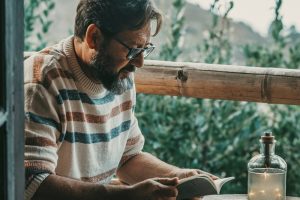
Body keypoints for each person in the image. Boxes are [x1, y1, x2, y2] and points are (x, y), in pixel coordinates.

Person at [24, 0, 217, 199]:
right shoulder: (42, 82)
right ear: (94, 37)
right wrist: (126, 196)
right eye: (133, 49)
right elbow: (33, 183)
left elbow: (127, 157)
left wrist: (176, 176)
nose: (139, 63)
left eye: (144, 49)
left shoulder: (119, 76)